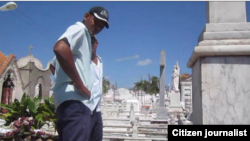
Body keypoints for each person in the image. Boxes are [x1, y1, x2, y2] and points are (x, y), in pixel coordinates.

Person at [52, 6, 109, 141]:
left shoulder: (93, 55)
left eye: (102, 26)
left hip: (88, 106)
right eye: (96, 22)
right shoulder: (80, 29)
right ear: (86, 16)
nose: (98, 27)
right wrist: (79, 84)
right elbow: (60, 49)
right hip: (76, 102)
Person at [89, 35, 104, 141]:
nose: (91, 45)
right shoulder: (80, 59)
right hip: (86, 108)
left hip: (97, 109)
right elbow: (54, 64)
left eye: (92, 42)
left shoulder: (100, 61)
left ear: (96, 43)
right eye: (88, 42)